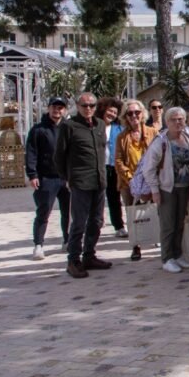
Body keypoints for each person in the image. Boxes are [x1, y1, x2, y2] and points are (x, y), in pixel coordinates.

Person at [55, 92, 110, 279]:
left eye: (92, 105)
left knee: (97, 221)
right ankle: (73, 260)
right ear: (78, 106)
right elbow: (59, 156)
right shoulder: (69, 126)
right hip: (80, 182)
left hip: (99, 180)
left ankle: (89, 255)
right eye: (84, 105)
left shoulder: (100, 124)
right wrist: (67, 178)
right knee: (79, 222)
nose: (88, 109)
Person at [144, 106, 189, 273]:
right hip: (167, 189)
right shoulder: (161, 141)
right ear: (167, 122)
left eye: (180, 119)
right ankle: (167, 258)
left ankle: (177, 254)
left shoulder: (187, 138)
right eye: (173, 119)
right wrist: (155, 190)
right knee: (168, 225)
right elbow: (148, 168)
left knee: (180, 223)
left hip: (184, 187)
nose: (177, 122)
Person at [26, 97, 69, 260]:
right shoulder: (38, 130)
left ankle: (67, 240)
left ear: (64, 110)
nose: (57, 110)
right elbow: (31, 153)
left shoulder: (68, 128)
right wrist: (32, 174)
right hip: (46, 178)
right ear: (49, 108)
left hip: (66, 178)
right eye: (54, 107)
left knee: (68, 212)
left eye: (60, 108)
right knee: (43, 212)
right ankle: (38, 244)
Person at [115, 99, 158, 261]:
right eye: (130, 113)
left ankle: (154, 238)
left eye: (137, 112)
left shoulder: (153, 132)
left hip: (150, 180)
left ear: (143, 114)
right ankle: (136, 246)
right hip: (129, 182)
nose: (134, 116)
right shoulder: (121, 137)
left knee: (153, 210)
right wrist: (130, 178)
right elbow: (118, 160)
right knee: (132, 214)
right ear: (125, 116)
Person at [95, 97, 125, 238]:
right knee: (97, 198)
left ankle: (118, 226)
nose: (112, 114)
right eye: (110, 111)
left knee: (114, 198)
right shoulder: (94, 126)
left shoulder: (119, 129)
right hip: (98, 167)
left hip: (113, 168)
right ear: (103, 110)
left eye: (115, 112)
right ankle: (96, 224)